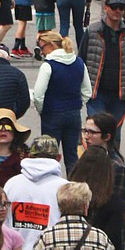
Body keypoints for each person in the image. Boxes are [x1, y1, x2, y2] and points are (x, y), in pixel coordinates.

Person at [83, 0, 125, 136]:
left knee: (113, 136)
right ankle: (95, 157)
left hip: (119, 95)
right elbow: (82, 60)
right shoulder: (93, 31)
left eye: (121, 8)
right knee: (96, 131)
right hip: (96, 93)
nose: (117, 11)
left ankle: (113, 158)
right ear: (106, 8)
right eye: (114, 7)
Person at [34, 31, 87, 162]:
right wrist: (76, 105)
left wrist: (42, 110)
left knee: (48, 156)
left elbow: (38, 95)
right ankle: (74, 181)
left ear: (51, 45)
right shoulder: (79, 62)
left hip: (52, 114)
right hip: (73, 114)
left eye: (42, 48)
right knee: (72, 156)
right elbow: (87, 91)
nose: (41, 52)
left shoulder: (48, 66)